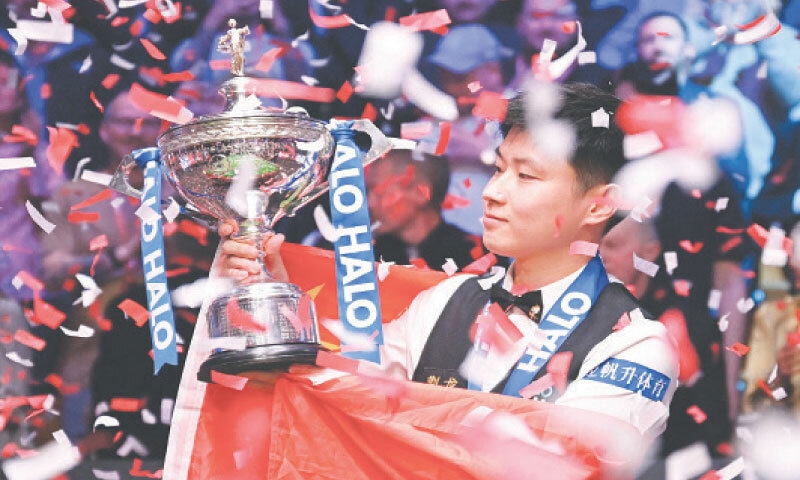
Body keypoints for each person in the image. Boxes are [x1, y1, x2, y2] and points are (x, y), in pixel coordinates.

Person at [218, 82, 680, 439]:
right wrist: (273, 301)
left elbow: (553, 461)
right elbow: (344, 396)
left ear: (598, 205)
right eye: (499, 168)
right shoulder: (447, 298)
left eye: (527, 176)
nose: (492, 192)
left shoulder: (636, 344)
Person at [601, 216, 734, 458]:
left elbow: (707, 420)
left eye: (612, 245)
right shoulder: (585, 305)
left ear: (650, 252)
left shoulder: (679, 318)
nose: (600, 255)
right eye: (595, 245)